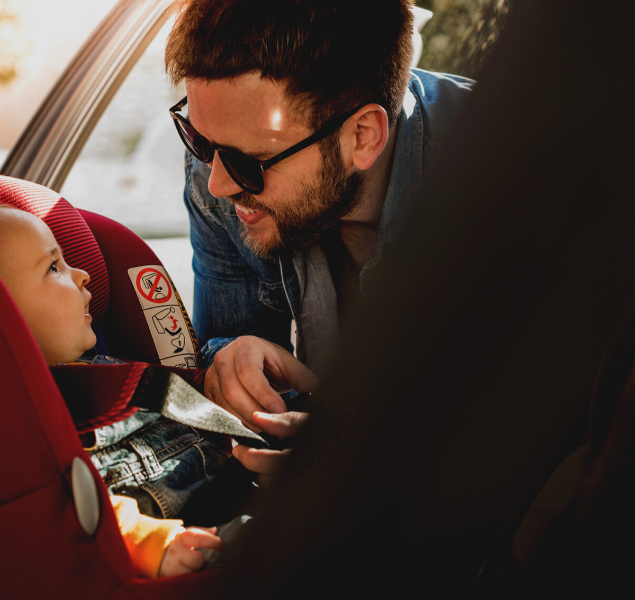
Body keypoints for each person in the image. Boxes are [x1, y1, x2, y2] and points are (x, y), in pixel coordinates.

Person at [163, 0, 474, 474]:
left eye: (249, 163)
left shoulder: (511, 181)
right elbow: (215, 355)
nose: (218, 185)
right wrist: (229, 360)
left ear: (363, 136)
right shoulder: (217, 180)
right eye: (199, 141)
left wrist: (374, 456)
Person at [0, 202, 224, 578]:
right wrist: (141, 540)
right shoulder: (6, 418)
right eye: (54, 267)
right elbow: (50, 504)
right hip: (163, 551)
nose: (83, 275)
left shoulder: (112, 372)